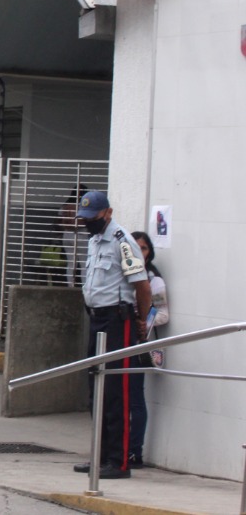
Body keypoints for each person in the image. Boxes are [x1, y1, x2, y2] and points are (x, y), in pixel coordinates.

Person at [71, 191, 152, 480]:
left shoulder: (123, 241)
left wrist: (142, 320)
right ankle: (100, 457)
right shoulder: (94, 241)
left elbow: (142, 287)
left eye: (92, 218)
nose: (88, 223)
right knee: (97, 391)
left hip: (118, 321)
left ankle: (118, 462)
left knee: (117, 392)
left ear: (107, 213)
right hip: (96, 319)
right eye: (84, 219)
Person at [128, 230, 169, 468]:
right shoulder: (122, 275)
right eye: (135, 247)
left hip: (138, 344)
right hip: (117, 341)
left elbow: (163, 313)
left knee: (135, 399)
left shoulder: (154, 280)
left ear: (149, 252)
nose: (139, 252)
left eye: (143, 248)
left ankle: (135, 452)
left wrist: (144, 322)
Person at [57, 185, 88, 287]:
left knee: (71, 264)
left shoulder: (65, 205)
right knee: (84, 264)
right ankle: (85, 286)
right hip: (81, 235)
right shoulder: (83, 205)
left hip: (67, 236)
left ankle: (70, 286)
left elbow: (59, 221)